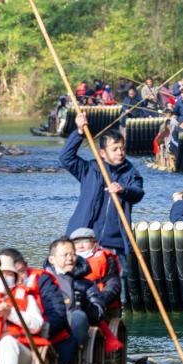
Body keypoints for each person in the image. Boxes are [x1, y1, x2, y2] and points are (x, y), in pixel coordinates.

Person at [61, 111, 144, 279]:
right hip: (83, 239)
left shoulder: (131, 173)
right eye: (114, 149)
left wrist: (123, 190)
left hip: (115, 243)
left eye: (122, 148)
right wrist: (78, 132)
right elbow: (66, 159)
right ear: (102, 153)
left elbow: (138, 193)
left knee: (116, 287)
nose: (120, 152)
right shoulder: (90, 169)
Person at [44, 238, 104, 364]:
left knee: (78, 317)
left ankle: (69, 363)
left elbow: (99, 311)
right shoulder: (43, 280)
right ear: (52, 259)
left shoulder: (85, 284)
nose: (70, 258)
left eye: (72, 254)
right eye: (65, 255)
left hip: (73, 329)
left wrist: (83, 303)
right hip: (50, 325)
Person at [0, 248, 71, 353]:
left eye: (21, 271)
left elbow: (58, 315)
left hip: (38, 337)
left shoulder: (42, 280)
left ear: (26, 265)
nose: (18, 278)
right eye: (10, 274)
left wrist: (36, 331)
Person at [70, 228, 123, 311]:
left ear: (94, 242)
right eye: (76, 242)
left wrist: (100, 301)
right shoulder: (67, 260)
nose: (80, 246)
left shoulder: (107, 258)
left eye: (85, 241)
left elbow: (113, 284)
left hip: (103, 302)